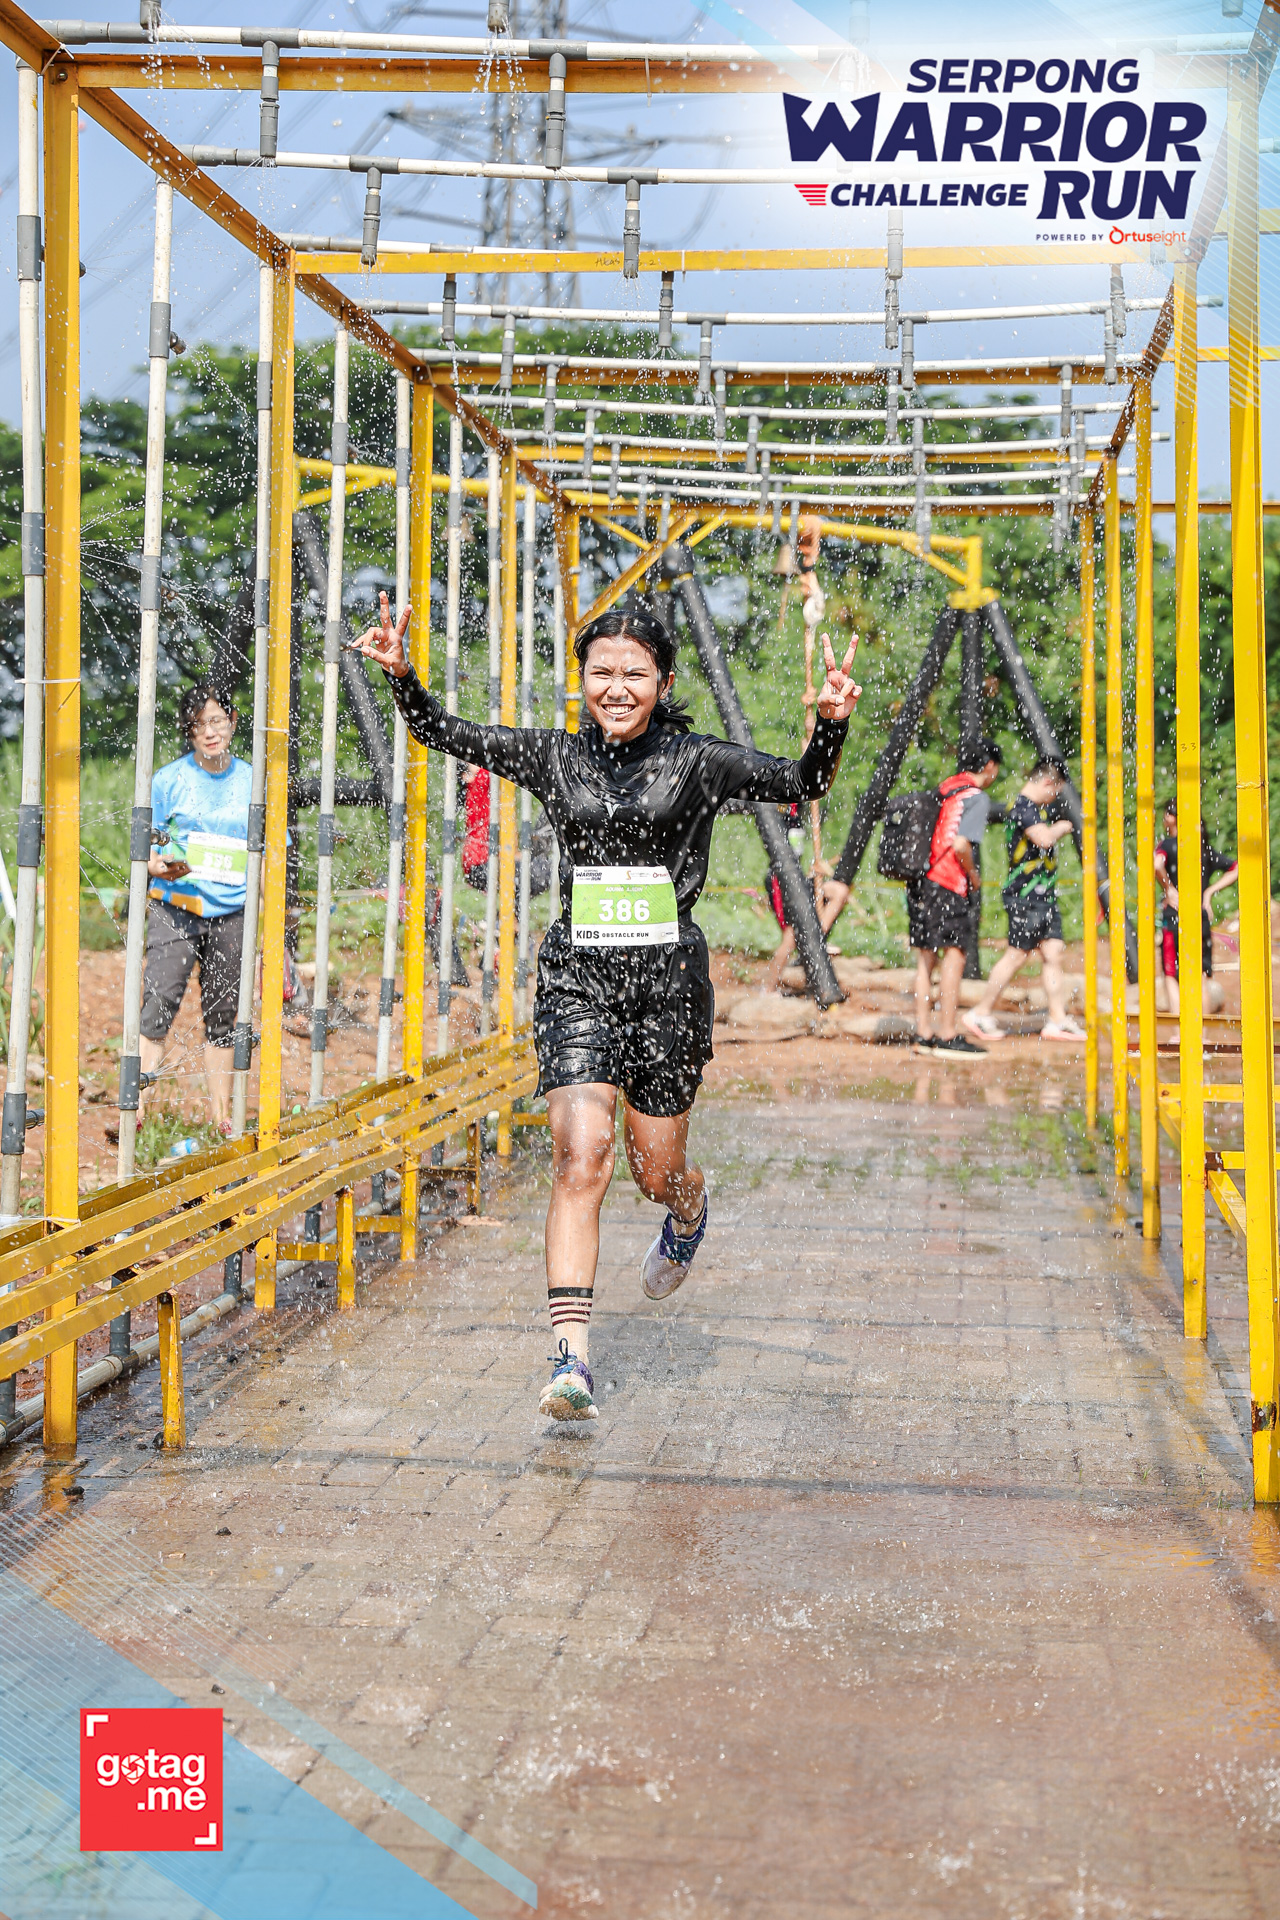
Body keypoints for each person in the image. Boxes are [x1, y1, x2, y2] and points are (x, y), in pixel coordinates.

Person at [355, 591, 861, 1422]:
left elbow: (801, 781)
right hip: (579, 980)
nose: (616, 688)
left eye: (634, 674)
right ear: (582, 679)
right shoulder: (555, 757)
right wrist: (404, 676)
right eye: (601, 672)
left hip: (667, 988)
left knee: (653, 1172)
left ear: (663, 683)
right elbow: (443, 732)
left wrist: (831, 724)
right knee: (580, 1158)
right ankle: (570, 1361)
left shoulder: (698, 762)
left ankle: (689, 1211)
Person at [140, 683, 251, 1129]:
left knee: (223, 1014)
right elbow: (149, 843)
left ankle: (221, 1118)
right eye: (199, 725)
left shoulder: (253, 780)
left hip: (233, 912)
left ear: (233, 722)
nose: (210, 732)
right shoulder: (168, 780)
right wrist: (155, 864)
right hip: (176, 906)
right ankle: (136, 1109)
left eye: (217, 721)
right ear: (189, 732)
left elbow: (269, 853)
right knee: (158, 1003)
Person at [962, 756, 1084, 1044]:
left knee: (1053, 951)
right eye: (1055, 791)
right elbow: (1043, 838)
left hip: (1043, 894)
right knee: (1016, 954)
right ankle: (980, 1012)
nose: (1054, 798)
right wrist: (1064, 826)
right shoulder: (1023, 807)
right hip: (1025, 896)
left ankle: (1057, 1019)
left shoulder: (1036, 808)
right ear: (1047, 782)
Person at [909, 740, 1002, 1056]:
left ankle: (923, 1034)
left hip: (923, 879)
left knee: (926, 958)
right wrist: (973, 877)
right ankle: (948, 1035)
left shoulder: (946, 789)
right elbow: (961, 844)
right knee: (955, 955)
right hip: (948, 882)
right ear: (989, 765)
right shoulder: (976, 796)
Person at [1155, 798, 1237, 1017]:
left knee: (1171, 975)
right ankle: (1203, 1033)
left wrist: (1169, 889)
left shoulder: (1167, 845)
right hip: (1200, 919)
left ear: (1170, 818)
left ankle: (1178, 1032)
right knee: (1200, 975)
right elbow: (1236, 867)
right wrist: (1208, 892)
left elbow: (1156, 864)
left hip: (1174, 917)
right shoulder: (1202, 848)